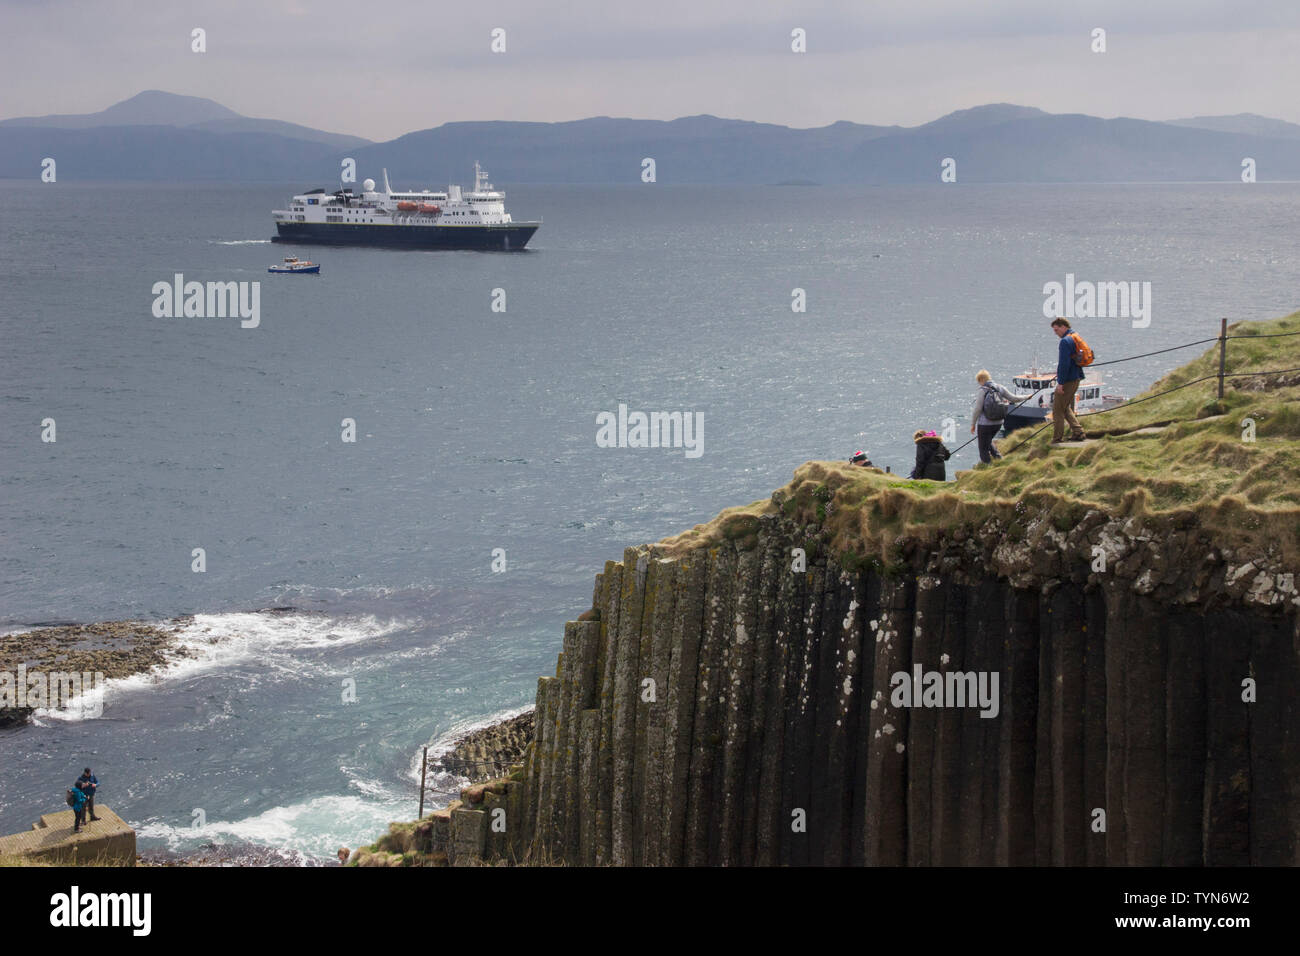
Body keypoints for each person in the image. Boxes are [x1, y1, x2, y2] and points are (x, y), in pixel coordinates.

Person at [970, 370, 1028, 464]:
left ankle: (987, 467)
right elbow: (1013, 398)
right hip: (998, 423)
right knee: (988, 441)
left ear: (981, 380)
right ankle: (999, 460)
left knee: (983, 448)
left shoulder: (983, 390)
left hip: (985, 424)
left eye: (979, 381)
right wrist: (1026, 397)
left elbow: (977, 409)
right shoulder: (1000, 388)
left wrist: (973, 424)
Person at [1050, 318, 1087, 443]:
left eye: (1056, 330)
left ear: (1063, 326)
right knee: (1065, 407)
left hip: (1068, 380)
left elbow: (1064, 364)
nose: (1055, 333)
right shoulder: (1074, 336)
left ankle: (1057, 438)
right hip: (1076, 376)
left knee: (1057, 410)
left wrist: (1060, 383)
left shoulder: (1065, 341)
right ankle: (1078, 432)